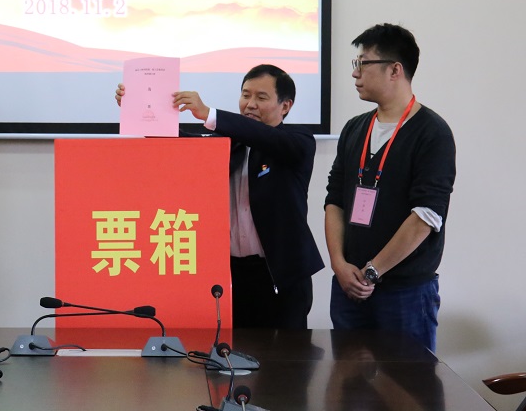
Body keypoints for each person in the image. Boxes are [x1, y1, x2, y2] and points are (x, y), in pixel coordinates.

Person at [116, 64, 324, 328]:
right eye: (245, 95)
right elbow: (179, 144)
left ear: (285, 106)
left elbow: (265, 138)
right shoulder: (229, 141)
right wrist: (140, 110)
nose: (250, 104)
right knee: (235, 347)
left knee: (289, 352)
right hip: (233, 273)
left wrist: (209, 113)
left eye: (261, 97)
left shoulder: (298, 141)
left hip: (281, 274)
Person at [324, 23, 456, 352]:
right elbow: (334, 200)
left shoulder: (432, 132)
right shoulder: (355, 128)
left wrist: (372, 272)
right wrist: (339, 265)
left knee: (408, 381)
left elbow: (426, 216)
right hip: (348, 286)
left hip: (404, 292)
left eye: (363, 63)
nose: (355, 73)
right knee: (347, 380)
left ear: (395, 70)